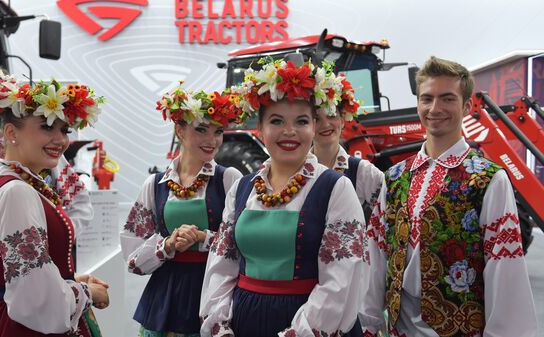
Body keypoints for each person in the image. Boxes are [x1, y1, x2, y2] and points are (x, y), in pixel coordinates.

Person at [359, 56, 537, 337]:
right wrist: (369, 321)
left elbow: (504, 268)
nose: (434, 108)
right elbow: (376, 255)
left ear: (466, 106)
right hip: (399, 330)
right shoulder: (394, 177)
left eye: (447, 99)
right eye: (426, 98)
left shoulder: (489, 179)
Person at [200, 58, 368, 337]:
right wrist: (219, 325)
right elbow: (221, 266)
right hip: (244, 322)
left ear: (314, 127)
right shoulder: (242, 188)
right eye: (276, 121)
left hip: (310, 324)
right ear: (260, 129)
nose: (289, 131)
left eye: (301, 121)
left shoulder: (335, 188)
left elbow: (340, 281)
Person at [0, 66, 94, 337]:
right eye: (48, 127)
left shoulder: (33, 161)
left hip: (24, 283)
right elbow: (35, 302)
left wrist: (52, 244)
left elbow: (79, 200)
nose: (60, 139)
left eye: (64, 129)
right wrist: (84, 291)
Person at [120, 87, 245, 337]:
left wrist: (202, 238)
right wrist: (168, 244)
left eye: (218, 131)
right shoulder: (154, 184)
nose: (212, 140)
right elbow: (132, 256)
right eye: (201, 129)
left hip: (214, 291)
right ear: (179, 130)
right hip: (165, 295)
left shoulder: (229, 178)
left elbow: (244, 244)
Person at [312, 74, 384, 220]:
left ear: (342, 119)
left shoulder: (362, 172)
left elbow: (391, 214)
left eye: (331, 115)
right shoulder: (294, 170)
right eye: (316, 119)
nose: (326, 124)